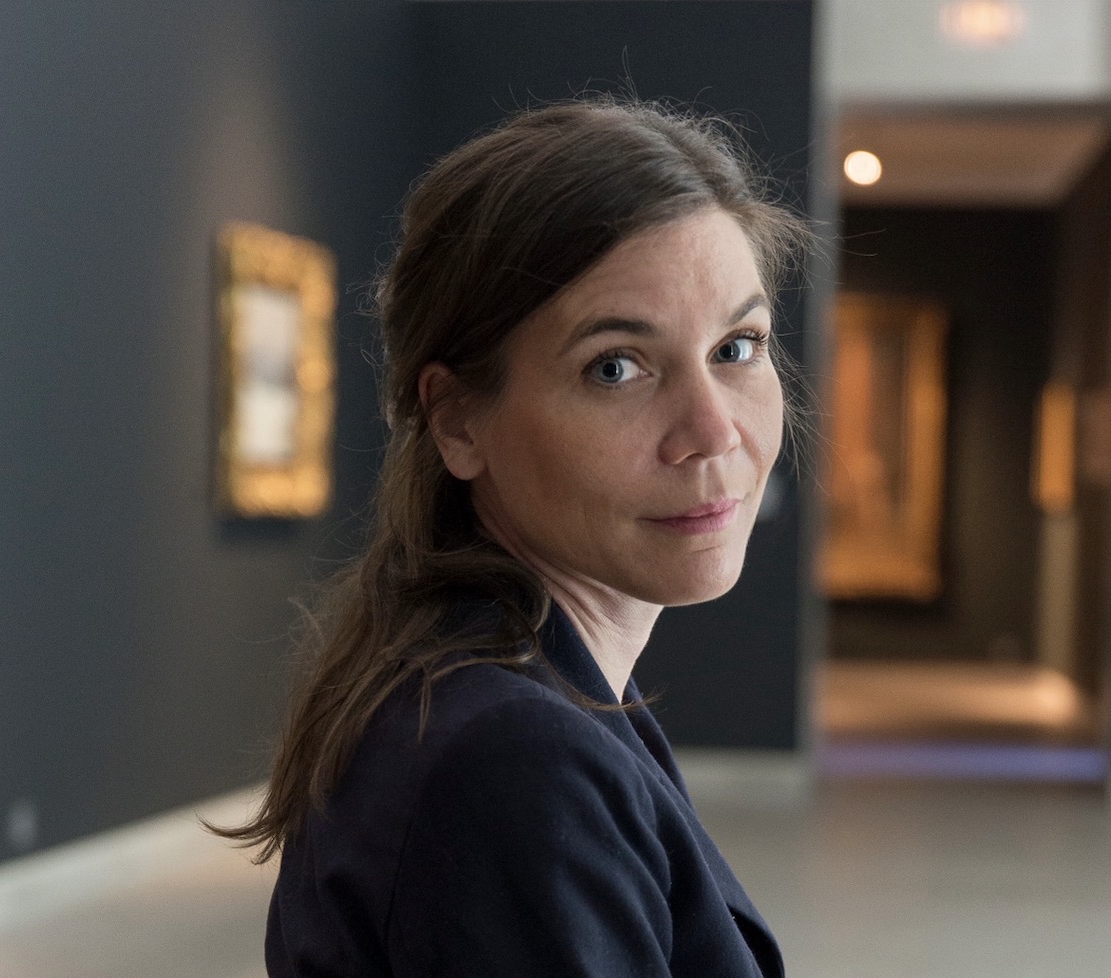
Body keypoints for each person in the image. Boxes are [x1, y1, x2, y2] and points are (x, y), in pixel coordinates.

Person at [213, 98, 809, 977]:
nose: (714, 432)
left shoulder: (534, 697)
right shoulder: (513, 762)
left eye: (738, 347)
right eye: (616, 367)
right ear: (458, 420)